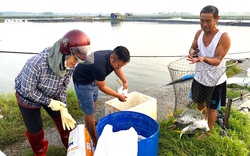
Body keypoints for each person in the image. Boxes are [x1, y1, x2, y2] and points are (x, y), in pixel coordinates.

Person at [14, 29, 94, 155]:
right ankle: (40, 152)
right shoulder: (36, 63)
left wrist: (64, 108)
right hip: (27, 97)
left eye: (78, 61)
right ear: (66, 52)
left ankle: (71, 149)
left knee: (65, 123)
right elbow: (27, 90)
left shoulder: (69, 65)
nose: (75, 64)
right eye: (75, 59)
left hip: (51, 94)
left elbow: (62, 88)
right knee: (35, 130)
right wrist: (49, 102)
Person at [187, 5, 231, 139]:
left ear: (217, 19)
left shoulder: (223, 37)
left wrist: (204, 58)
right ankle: (200, 123)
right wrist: (192, 53)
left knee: (212, 108)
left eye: (208, 21)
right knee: (200, 103)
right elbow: (192, 47)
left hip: (215, 80)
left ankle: (207, 132)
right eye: (201, 20)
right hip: (200, 77)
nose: (204, 24)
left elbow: (218, 60)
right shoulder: (199, 33)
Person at [73, 46, 130, 146]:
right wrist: (118, 96)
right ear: (112, 58)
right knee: (89, 112)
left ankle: (92, 121)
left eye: (122, 66)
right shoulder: (99, 66)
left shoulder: (112, 56)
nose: (119, 67)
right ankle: (95, 139)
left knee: (94, 101)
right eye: (119, 65)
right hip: (82, 82)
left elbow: (116, 68)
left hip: (93, 78)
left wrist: (124, 81)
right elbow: (102, 87)